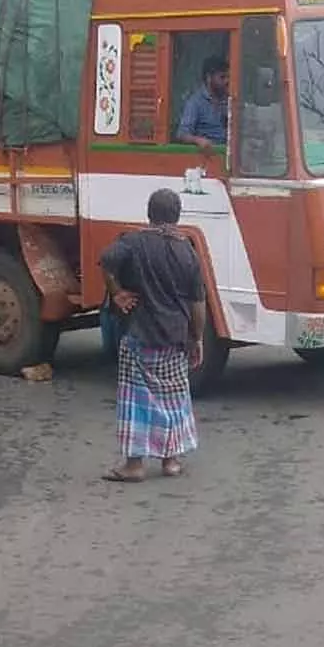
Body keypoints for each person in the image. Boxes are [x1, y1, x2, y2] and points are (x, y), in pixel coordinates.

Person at [98, 188, 206, 481]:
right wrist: (196, 338)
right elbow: (198, 303)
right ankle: (170, 462)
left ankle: (134, 466)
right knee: (173, 397)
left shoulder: (133, 243)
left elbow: (106, 260)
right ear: (177, 215)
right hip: (174, 338)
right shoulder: (188, 252)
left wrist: (117, 292)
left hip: (139, 335)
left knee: (137, 400)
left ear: (149, 213)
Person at [175, 56, 229, 149]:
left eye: (228, 77)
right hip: (207, 155)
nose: (226, 81)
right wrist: (198, 140)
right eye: (222, 77)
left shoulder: (228, 100)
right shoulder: (195, 102)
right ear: (209, 78)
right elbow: (182, 134)